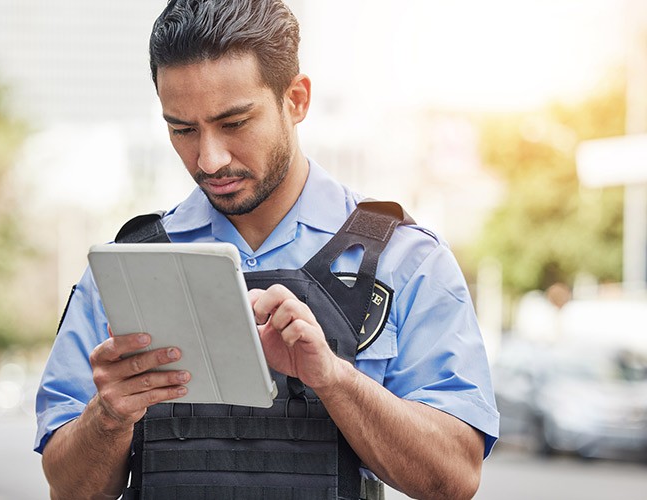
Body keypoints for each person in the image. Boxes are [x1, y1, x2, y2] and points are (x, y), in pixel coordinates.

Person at [34, 1, 499, 499]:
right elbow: (67, 488)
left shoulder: (405, 259)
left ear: (296, 99)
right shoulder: (123, 268)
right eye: (182, 130)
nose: (209, 159)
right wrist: (109, 416)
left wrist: (333, 380)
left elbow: (455, 479)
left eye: (234, 123)